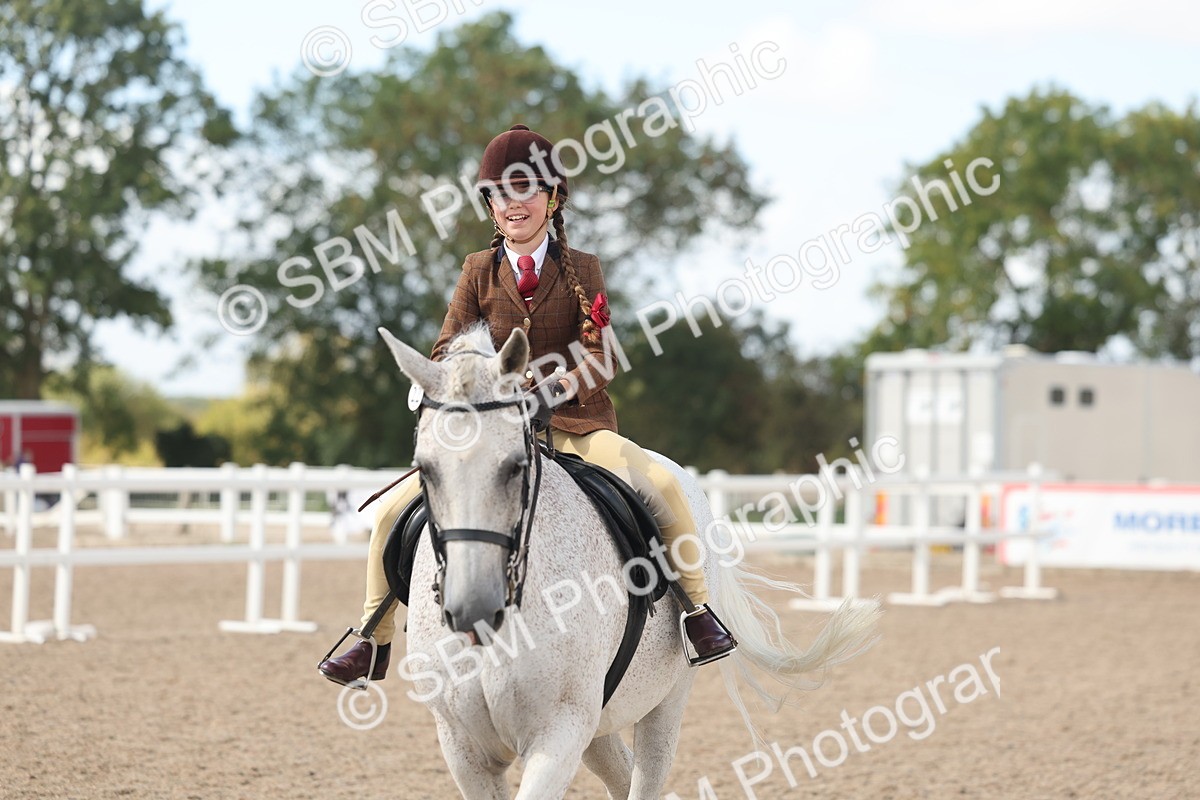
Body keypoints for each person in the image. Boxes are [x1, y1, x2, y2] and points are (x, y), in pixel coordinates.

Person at [319, 124, 736, 686]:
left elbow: (602, 354)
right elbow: (447, 345)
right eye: (500, 194)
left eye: (526, 190)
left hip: (572, 424)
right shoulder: (477, 270)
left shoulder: (581, 268)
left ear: (552, 198)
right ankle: (372, 640)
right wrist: (446, 381)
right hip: (490, 432)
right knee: (392, 513)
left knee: (659, 486)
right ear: (490, 205)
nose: (513, 204)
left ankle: (696, 612)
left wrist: (553, 390)